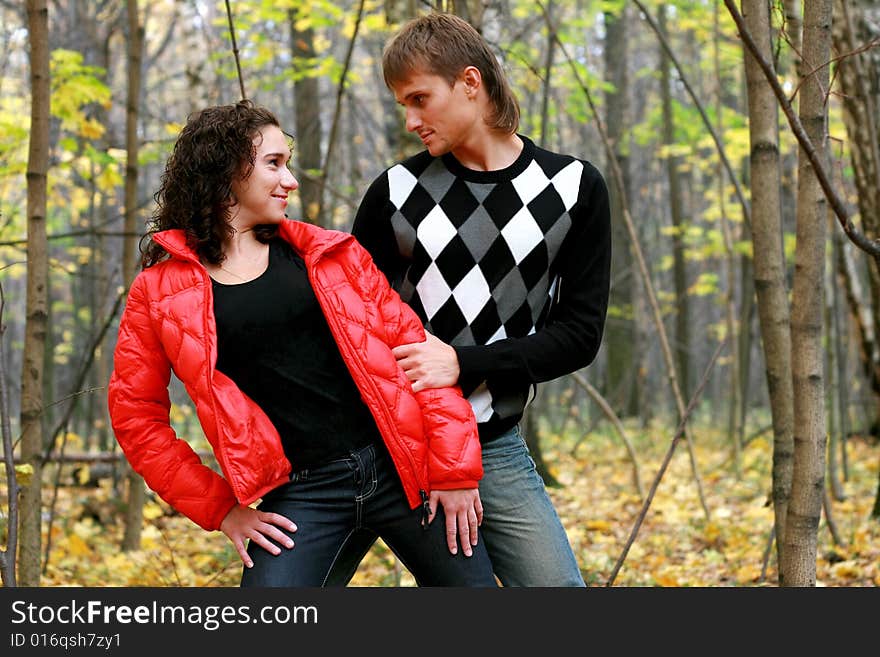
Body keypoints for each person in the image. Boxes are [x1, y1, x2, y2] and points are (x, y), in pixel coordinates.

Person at [107, 100, 496, 587]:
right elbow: (136, 418)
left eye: (286, 164)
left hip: (402, 468)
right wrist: (222, 509)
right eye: (274, 164)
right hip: (304, 495)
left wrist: (454, 472)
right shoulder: (159, 293)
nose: (290, 180)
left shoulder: (331, 255)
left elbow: (419, 357)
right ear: (225, 171)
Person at [348, 12, 611, 587]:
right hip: (383, 443)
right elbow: (352, 322)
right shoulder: (397, 192)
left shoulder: (572, 189)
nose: (412, 120)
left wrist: (462, 365)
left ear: (471, 83)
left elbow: (579, 336)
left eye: (420, 98)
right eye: (403, 106)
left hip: (492, 444)